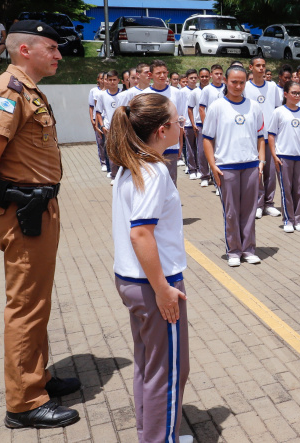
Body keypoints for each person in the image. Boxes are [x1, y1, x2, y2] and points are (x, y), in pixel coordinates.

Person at [0, 20, 81, 428]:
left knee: (38, 301)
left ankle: (39, 376)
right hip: (24, 212)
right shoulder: (7, 93)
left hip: (39, 208)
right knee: (26, 307)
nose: (59, 54)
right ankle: (24, 402)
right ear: (25, 50)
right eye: (52, 47)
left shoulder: (28, 92)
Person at [105, 92, 191, 442]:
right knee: (168, 371)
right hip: (154, 284)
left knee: (149, 365)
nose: (182, 126)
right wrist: (163, 290)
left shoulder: (132, 164)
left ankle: (153, 432)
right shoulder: (152, 171)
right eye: (177, 121)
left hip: (131, 280)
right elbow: (141, 234)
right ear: (162, 129)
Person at [202, 65, 265, 266]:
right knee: (231, 211)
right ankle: (234, 251)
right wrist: (213, 165)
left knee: (249, 210)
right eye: (234, 82)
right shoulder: (217, 107)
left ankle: (248, 249)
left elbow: (260, 137)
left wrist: (261, 162)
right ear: (226, 82)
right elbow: (207, 139)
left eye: (241, 82)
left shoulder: (254, 106)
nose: (238, 86)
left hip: (251, 165)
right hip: (226, 167)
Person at [268, 81, 300, 234]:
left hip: (299, 157)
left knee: (298, 189)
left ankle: (297, 220)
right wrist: (274, 155)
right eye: (294, 93)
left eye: (299, 93)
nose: (297, 96)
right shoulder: (278, 112)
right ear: (285, 94)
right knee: (287, 189)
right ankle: (288, 219)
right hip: (283, 156)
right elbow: (271, 135)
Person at [245, 57, 283, 219]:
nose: (261, 69)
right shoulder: (246, 87)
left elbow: (276, 110)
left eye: (263, 66)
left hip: (270, 137)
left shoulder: (273, 87)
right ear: (251, 67)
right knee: (257, 172)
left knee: (270, 171)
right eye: (258, 66)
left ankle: (269, 203)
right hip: (253, 137)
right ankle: (258, 204)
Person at [141, 61, 183, 185]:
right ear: (150, 75)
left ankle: (171, 204)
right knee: (152, 179)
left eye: (164, 73)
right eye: (158, 73)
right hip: (151, 144)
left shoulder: (176, 93)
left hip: (171, 145)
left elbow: (180, 119)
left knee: (171, 179)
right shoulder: (144, 94)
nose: (162, 76)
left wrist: (180, 142)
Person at [198, 65, 226, 188]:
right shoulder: (207, 90)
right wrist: (206, 126)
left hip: (224, 127)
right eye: (216, 74)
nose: (218, 76)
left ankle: (218, 183)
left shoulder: (226, 88)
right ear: (211, 75)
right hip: (211, 127)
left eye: (220, 74)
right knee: (206, 152)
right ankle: (205, 176)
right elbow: (201, 109)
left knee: (219, 154)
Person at [94, 70, 123, 183]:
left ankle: (124, 175)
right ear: (106, 81)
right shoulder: (102, 95)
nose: (112, 82)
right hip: (109, 128)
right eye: (110, 80)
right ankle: (114, 176)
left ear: (118, 81)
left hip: (122, 128)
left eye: (114, 80)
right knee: (112, 153)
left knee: (122, 152)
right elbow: (98, 112)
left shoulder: (123, 94)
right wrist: (102, 126)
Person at [181, 69, 200, 179]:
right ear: (186, 79)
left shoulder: (200, 91)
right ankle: (192, 168)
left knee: (199, 148)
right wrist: (182, 124)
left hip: (197, 123)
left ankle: (199, 168)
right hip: (187, 123)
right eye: (191, 78)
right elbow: (182, 108)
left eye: (194, 78)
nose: (193, 80)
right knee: (190, 147)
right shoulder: (183, 92)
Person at [88, 73, 108, 170]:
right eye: (101, 78)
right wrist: (92, 119)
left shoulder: (110, 91)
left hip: (107, 118)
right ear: (98, 79)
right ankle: (103, 162)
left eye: (105, 79)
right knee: (100, 141)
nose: (103, 81)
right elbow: (92, 107)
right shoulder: (94, 91)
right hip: (98, 118)